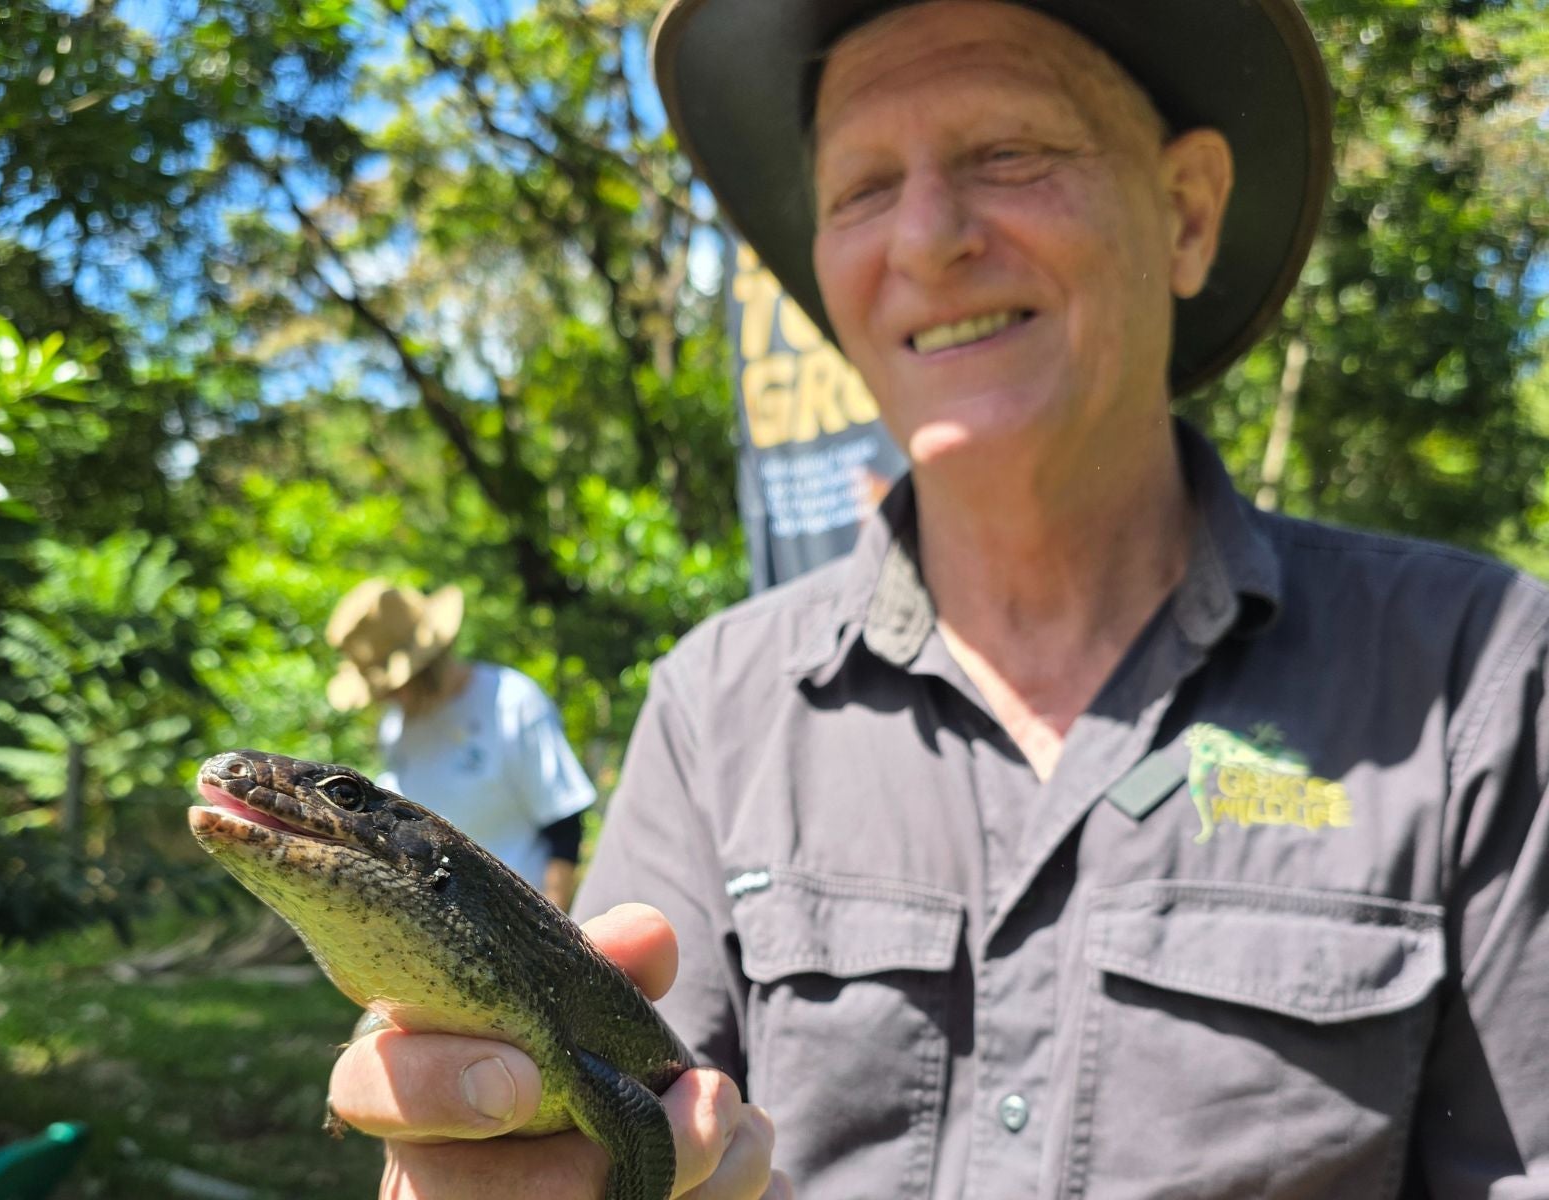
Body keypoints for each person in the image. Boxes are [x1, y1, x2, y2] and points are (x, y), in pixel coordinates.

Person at [328, 1, 1549, 1196]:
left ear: (1184, 214)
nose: (924, 237)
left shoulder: (1472, 678)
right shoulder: (716, 706)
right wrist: (502, 1169)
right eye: (859, 186)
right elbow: (626, 1127)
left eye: (1006, 153)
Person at [325, 579, 595, 910]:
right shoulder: (395, 728)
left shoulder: (511, 702)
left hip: (521, 917)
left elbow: (564, 824)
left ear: (426, 665)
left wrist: (554, 921)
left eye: (393, 687)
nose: (388, 698)